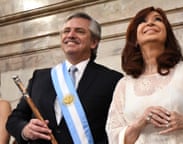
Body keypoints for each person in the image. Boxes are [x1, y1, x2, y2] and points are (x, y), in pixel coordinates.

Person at [106, 6, 183, 144]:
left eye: (158, 19)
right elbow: (114, 136)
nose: (150, 23)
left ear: (167, 35)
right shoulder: (124, 85)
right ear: (135, 39)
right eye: (143, 21)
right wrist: (141, 122)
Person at [6, 12, 123, 144]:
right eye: (66, 31)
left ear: (94, 42)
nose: (70, 35)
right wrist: (25, 130)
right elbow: (15, 119)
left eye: (79, 31)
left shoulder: (112, 79)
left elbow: (115, 128)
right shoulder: (40, 77)